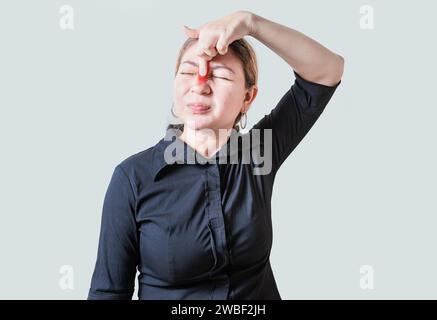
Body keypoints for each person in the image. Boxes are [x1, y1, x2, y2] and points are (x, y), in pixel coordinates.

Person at [88, 10, 344, 300]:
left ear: (248, 98)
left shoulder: (258, 153)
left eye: (220, 75)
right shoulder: (132, 178)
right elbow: (108, 293)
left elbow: (327, 71)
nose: (200, 84)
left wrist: (251, 23)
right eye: (187, 71)